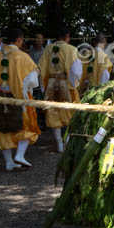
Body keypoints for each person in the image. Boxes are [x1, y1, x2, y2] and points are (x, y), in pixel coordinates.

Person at [0, 27, 40, 170]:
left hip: (0, 96)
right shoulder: (22, 57)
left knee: (3, 128)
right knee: (27, 126)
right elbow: (33, 80)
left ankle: (9, 162)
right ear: (19, 39)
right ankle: (19, 155)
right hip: (19, 98)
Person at [38, 24, 82, 152]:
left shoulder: (47, 49)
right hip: (66, 83)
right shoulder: (72, 49)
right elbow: (76, 71)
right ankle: (66, 140)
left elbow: (41, 69)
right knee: (70, 111)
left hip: (51, 83)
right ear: (67, 36)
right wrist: (74, 84)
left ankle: (59, 142)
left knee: (53, 111)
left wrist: (43, 87)